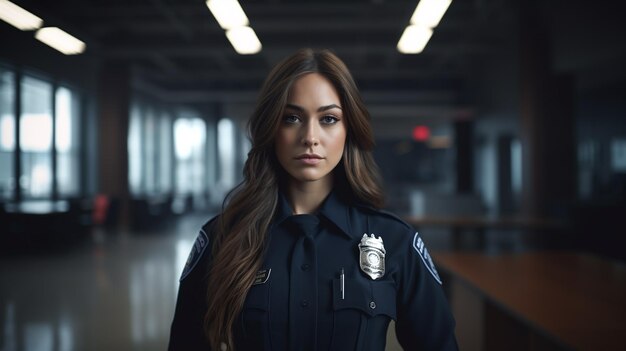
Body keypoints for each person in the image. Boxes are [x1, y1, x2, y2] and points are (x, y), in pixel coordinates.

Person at [168, 48, 458, 351]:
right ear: (271, 128)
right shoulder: (222, 238)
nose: (310, 136)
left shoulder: (395, 241)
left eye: (329, 119)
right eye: (291, 118)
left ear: (349, 129)